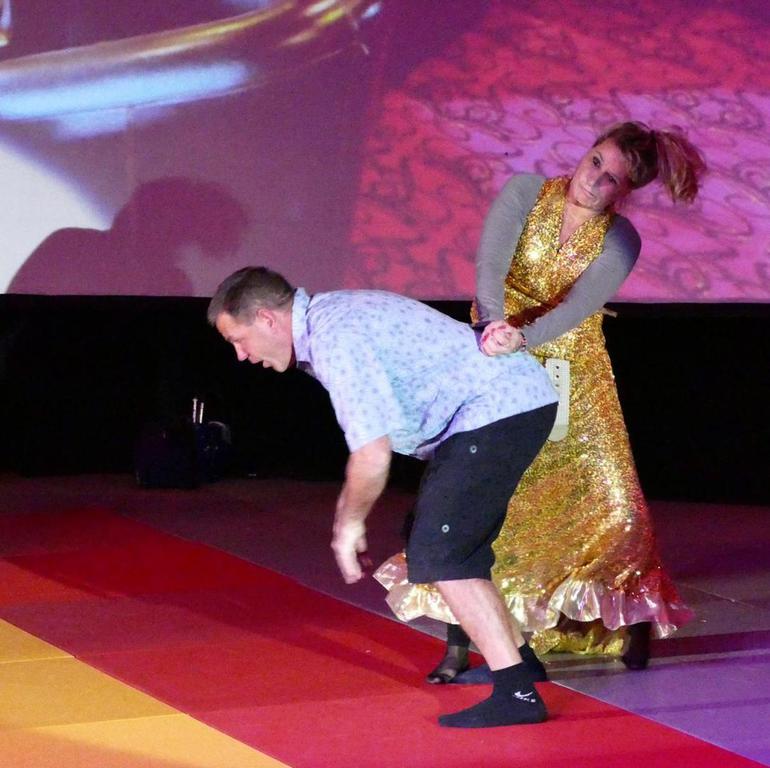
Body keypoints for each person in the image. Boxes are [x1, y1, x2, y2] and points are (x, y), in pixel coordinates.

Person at [374, 121, 706, 682]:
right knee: (481, 492)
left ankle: (632, 619)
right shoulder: (525, 192)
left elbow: (579, 307)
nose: (594, 179)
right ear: (587, 151)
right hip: (494, 351)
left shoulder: (621, 239)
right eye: (595, 161)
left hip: (571, 369)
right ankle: (459, 643)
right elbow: (491, 266)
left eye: (612, 179)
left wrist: (524, 338)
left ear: (625, 191)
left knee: (610, 504)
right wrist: (494, 327)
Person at [208, 266, 558, 728]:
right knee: (444, 542)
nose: (240, 355)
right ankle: (521, 663)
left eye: (239, 339)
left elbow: (372, 454)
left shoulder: (336, 338)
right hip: (504, 405)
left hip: (497, 408)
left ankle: (518, 693)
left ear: (267, 319)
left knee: (443, 550)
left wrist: (348, 525)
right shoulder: (332, 315)